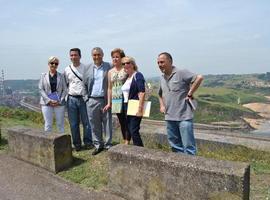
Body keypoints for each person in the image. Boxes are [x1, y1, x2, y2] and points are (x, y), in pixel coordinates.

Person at [157, 52, 203, 155]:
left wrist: (190, 93)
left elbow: (199, 78)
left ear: (170, 61)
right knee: (175, 146)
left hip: (184, 117)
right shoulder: (161, 78)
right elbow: (159, 94)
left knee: (189, 147)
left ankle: (191, 168)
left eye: (162, 62)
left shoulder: (181, 72)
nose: (160, 65)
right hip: (169, 117)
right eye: (158, 62)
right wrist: (162, 105)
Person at [85, 47, 112, 155]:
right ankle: (98, 145)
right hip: (91, 99)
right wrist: (86, 98)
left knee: (107, 123)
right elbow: (84, 84)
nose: (96, 57)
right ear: (92, 56)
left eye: (98, 54)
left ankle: (108, 145)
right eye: (94, 55)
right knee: (94, 124)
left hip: (105, 99)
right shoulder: (87, 68)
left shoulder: (109, 66)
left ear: (102, 55)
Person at [64, 48, 92, 151]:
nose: (73, 57)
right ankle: (77, 144)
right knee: (74, 123)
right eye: (71, 55)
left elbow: (89, 82)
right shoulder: (67, 69)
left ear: (80, 56)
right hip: (71, 98)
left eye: (75, 55)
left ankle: (88, 142)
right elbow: (66, 84)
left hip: (83, 98)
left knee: (86, 122)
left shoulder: (85, 68)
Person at [103, 48, 130, 144]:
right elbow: (109, 88)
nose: (115, 59)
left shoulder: (126, 69)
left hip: (127, 98)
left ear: (122, 58)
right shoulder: (110, 72)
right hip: (116, 99)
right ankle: (126, 141)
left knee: (129, 120)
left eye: (117, 57)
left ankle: (130, 141)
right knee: (122, 121)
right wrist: (109, 103)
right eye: (113, 57)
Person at [39, 56, 67, 133]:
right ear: (48, 64)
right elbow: (41, 89)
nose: (54, 65)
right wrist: (49, 100)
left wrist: (60, 100)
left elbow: (65, 89)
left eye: (56, 63)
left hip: (59, 103)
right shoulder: (43, 75)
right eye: (52, 63)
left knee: (60, 124)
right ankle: (48, 143)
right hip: (46, 103)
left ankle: (62, 143)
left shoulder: (61, 76)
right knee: (48, 124)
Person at [121, 56, 145, 147]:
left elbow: (142, 92)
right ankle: (136, 150)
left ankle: (140, 151)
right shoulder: (127, 77)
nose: (125, 65)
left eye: (128, 63)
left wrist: (140, 109)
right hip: (126, 106)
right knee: (129, 129)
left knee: (134, 130)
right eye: (123, 64)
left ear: (133, 64)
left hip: (135, 106)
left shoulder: (137, 75)